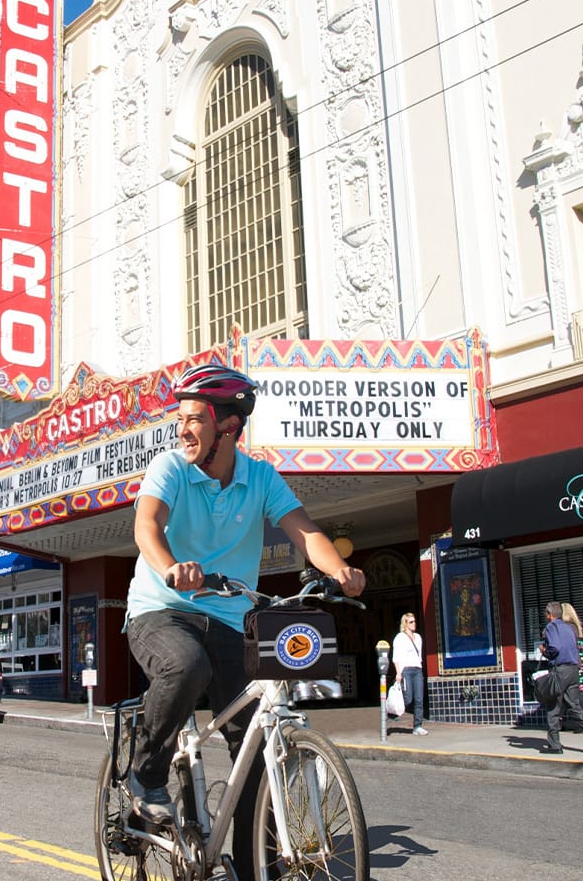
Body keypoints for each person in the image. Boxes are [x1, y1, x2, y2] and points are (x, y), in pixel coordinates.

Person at [123, 362, 366, 864]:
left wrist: (340, 570)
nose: (183, 428)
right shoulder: (171, 468)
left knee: (257, 747)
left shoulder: (260, 477)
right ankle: (144, 777)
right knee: (186, 664)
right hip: (161, 610)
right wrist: (171, 568)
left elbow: (305, 532)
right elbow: (147, 524)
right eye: (181, 418)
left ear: (227, 426)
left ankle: (258, 865)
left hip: (232, 621)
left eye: (195, 418)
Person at [539, 600, 583, 755]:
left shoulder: (551, 627)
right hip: (573, 669)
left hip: (560, 670)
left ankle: (555, 745)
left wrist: (544, 651)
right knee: (574, 707)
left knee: (553, 707)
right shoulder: (570, 628)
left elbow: (554, 648)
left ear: (550, 615)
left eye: (546, 614)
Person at [392, 613, 427, 736]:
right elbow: (396, 656)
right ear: (405, 623)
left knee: (419, 699)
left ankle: (417, 726)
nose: (414, 624)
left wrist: (420, 666)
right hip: (406, 670)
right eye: (411, 622)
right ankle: (392, 712)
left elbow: (419, 655)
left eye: (414, 621)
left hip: (417, 669)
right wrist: (398, 672)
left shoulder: (418, 637)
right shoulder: (400, 637)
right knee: (408, 698)